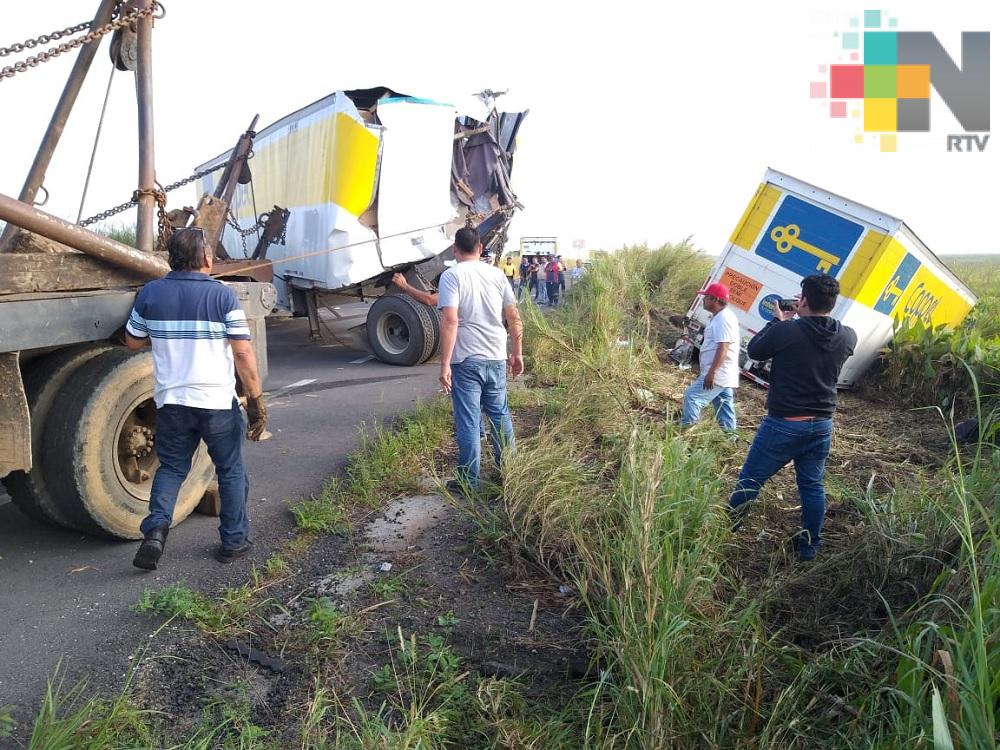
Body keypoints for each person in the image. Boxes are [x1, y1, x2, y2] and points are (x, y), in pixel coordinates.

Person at [125, 226, 268, 570]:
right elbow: (243, 353)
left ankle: (156, 532)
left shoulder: (151, 293)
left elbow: (132, 340)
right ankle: (233, 542)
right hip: (217, 403)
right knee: (230, 469)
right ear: (205, 257)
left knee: (172, 468)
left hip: (172, 403)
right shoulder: (222, 296)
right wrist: (256, 402)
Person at [728, 274, 857, 562]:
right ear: (832, 303)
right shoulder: (848, 336)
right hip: (821, 426)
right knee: (812, 487)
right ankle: (809, 548)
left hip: (784, 424)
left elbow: (755, 349)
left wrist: (779, 320)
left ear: (805, 300)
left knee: (750, 480)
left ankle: (727, 530)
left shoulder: (787, 331)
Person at [437, 227, 524, 492]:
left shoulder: (451, 276)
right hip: (496, 356)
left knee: (469, 420)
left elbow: (451, 320)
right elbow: (513, 317)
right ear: (480, 247)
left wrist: (444, 365)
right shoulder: (498, 275)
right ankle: (509, 473)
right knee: (499, 415)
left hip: (466, 361)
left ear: (454, 249)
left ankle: (469, 481)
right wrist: (517, 352)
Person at [680, 282, 740, 431]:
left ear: (714, 299)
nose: (703, 300)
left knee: (692, 397)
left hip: (719, 373)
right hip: (723, 373)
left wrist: (712, 373)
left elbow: (723, 347)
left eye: (706, 297)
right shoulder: (720, 316)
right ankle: (731, 438)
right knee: (724, 405)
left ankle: (687, 429)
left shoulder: (724, 319)